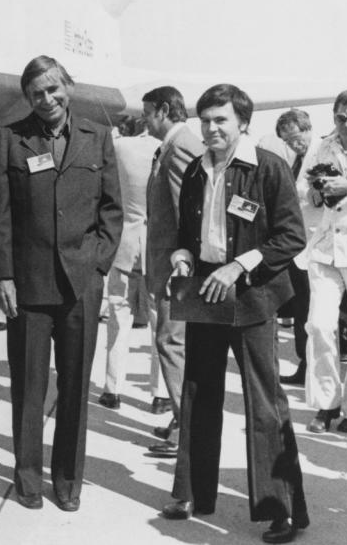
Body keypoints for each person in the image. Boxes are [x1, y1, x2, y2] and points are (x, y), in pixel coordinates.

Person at [160, 84, 307, 545]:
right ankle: (192, 494)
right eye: (205, 120)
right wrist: (182, 256)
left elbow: (290, 237)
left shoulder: (268, 167)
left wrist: (238, 266)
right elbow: (187, 229)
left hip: (254, 297)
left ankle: (279, 508)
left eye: (220, 119)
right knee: (198, 396)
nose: (211, 128)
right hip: (205, 293)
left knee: (264, 405)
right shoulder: (198, 171)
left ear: (242, 121)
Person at [0, 55, 122, 512]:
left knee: (76, 387)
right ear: (27, 98)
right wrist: (2, 274)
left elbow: (111, 210)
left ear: (69, 86)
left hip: (81, 283)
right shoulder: (10, 139)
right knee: (28, 385)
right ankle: (27, 479)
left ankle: (68, 480)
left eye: (53, 89)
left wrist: (98, 267)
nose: (47, 100)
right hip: (28, 284)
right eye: (36, 93)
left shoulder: (98, 137)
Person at [298, 89, 347, 434]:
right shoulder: (322, 145)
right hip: (326, 244)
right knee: (318, 324)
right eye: (340, 118)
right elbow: (305, 188)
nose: (346, 125)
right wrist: (318, 189)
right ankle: (326, 403)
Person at [141, 86, 204, 455]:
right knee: (176, 343)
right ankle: (183, 419)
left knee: (172, 342)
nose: (145, 120)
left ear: (163, 110)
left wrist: (183, 270)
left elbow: (189, 211)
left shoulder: (180, 146)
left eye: (148, 113)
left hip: (177, 268)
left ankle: (188, 429)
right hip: (173, 264)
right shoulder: (174, 144)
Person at [97, 117, 167, 412]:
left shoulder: (117, 146)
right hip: (156, 242)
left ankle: (112, 388)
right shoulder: (164, 146)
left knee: (118, 315)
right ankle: (161, 392)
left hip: (124, 238)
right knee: (159, 320)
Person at [266, 109, 322, 386]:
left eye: (296, 137)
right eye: (288, 141)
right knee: (302, 308)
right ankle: (305, 363)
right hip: (300, 248)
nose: (294, 144)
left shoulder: (322, 155)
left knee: (312, 310)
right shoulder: (297, 159)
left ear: (308, 128)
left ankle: (312, 366)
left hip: (317, 244)